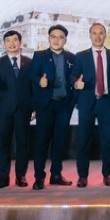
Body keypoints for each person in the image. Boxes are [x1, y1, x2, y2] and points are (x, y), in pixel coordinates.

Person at [71, 22, 110, 187]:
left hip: (106, 102)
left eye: (101, 33)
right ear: (90, 35)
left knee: (107, 141)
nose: (98, 36)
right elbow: (74, 75)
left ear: (105, 35)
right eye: (94, 33)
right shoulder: (80, 56)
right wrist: (76, 83)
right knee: (83, 140)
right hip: (87, 103)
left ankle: (107, 174)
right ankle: (82, 176)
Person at [29, 24, 75, 190]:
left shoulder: (71, 57)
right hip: (45, 105)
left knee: (59, 142)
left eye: (60, 37)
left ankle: (56, 175)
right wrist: (39, 81)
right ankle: (39, 177)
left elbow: (74, 78)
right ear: (48, 39)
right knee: (42, 142)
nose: (56, 40)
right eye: (53, 37)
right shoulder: (39, 55)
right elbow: (32, 75)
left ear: (65, 40)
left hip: (64, 105)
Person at [0, 30, 33, 188]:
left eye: (15, 40)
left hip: (23, 109)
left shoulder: (29, 62)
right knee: (3, 143)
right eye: (8, 40)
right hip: (4, 109)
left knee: (22, 143)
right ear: (4, 43)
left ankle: (21, 176)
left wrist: (34, 108)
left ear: (20, 42)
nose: (12, 43)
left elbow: (33, 86)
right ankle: (3, 176)